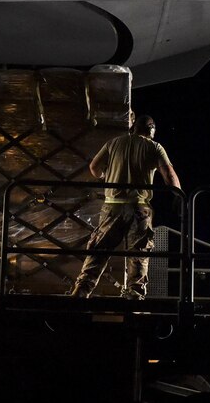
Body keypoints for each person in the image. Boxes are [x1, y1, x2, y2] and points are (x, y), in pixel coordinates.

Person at [70, 114, 181, 299]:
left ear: (133, 127)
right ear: (151, 129)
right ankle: (134, 300)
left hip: (112, 207)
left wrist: (106, 175)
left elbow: (94, 167)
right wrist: (179, 196)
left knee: (98, 251)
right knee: (138, 256)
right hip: (139, 209)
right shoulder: (154, 147)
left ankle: (80, 293)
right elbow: (169, 175)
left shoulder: (113, 143)